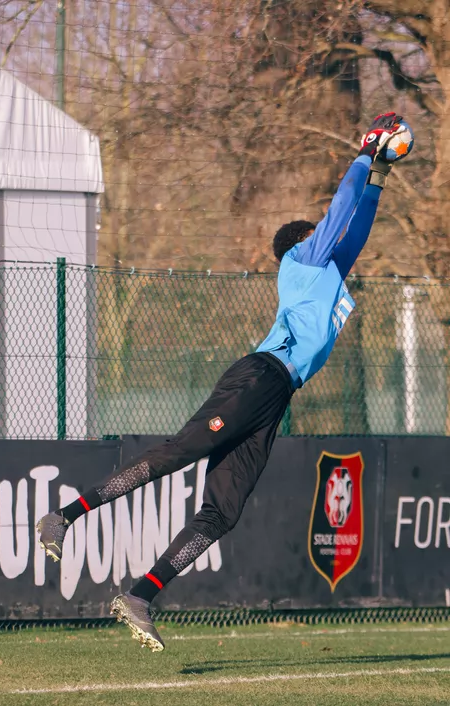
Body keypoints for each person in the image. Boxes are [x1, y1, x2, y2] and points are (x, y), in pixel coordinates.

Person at [37, 112, 409, 652]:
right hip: (258, 378)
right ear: (302, 243)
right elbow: (338, 217)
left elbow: (356, 228)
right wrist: (363, 154)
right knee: (180, 452)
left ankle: (140, 596)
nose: (328, 235)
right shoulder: (302, 259)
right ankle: (63, 517)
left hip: (275, 397)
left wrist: (380, 176)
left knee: (222, 514)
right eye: (318, 233)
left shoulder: (327, 273)